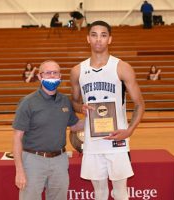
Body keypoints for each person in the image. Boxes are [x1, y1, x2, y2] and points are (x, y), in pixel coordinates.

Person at [70, 21, 145, 200]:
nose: (98, 39)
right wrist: (81, 107)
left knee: (120, 192)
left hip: (117, 139)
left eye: (103, 35)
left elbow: (140, 104)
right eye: (94, 35)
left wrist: (129, 130)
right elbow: (73, 101)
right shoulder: (77, 71)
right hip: (92, 140)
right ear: (88, 38)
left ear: (110, 39)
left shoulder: (122, 67)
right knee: (100, 193)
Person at [13, 60, 84, 200]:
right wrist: (19, 170)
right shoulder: (28, 102)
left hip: (60, 160)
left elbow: (75, 125)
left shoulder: (64, 101)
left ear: (60, 76)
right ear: (40, 77)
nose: (52, 76)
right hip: (33, 160)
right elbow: (17, 138)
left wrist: (97, 118)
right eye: (48, 73)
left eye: (55, 73)